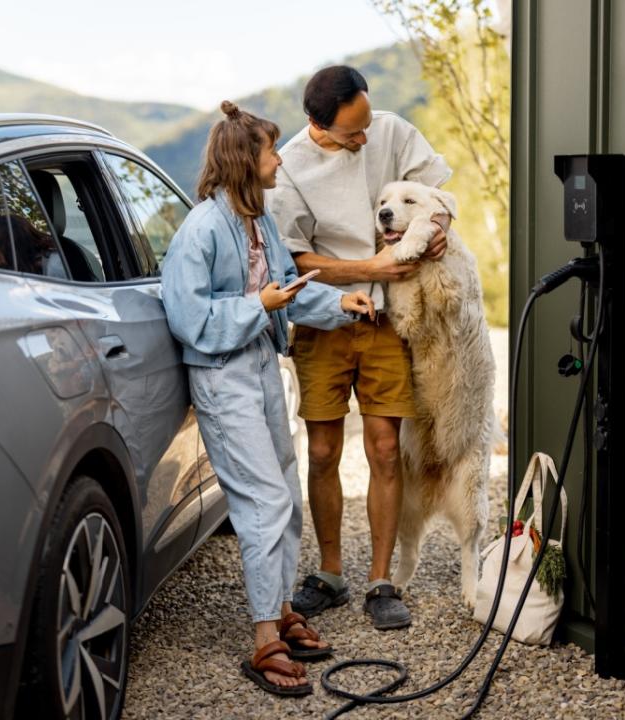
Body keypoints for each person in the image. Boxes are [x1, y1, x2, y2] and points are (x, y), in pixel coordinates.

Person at [161, 101, 375, 696]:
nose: (279, 159)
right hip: (221, 375)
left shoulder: (257, 223)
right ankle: (263, 642)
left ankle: (279, 606)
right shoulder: (201, 229)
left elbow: (287, 291)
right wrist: (258, 307)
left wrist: (339, 305)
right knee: (261, 502)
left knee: (284, 489)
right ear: (244, 162)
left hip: (257, 366)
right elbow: (186, 315)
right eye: (270, 151)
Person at [266, 65, 452, 630]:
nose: (365, 138)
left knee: (385, 448)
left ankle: (381, 581)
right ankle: (329, 573)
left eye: (367, 123)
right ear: (317, 125)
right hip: (322, 320)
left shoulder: (390, 130)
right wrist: (371, 266)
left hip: (387, 318)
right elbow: (296, 261)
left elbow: (439, 195)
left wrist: (438, 225)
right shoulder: (290, 166)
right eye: (352, 133)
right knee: (322, 452)